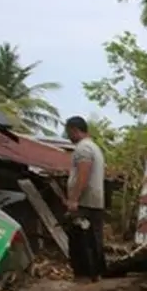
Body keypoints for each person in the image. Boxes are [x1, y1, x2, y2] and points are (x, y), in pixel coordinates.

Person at [63, 116, 107, 281]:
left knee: (80, 239)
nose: (68, 136)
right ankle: (96, 273)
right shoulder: (94, 147)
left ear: (74, 130)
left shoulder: (83, 149)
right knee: (93, 238)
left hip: (85, 202)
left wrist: (74, 199)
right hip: (94, 201)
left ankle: (84, 275)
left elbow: (83, 174)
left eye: (68, 132)